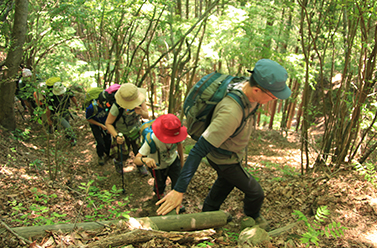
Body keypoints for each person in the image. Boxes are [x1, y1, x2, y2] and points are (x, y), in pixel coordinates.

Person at [156, 59, 292, 222]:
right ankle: (253, 220)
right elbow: (198, 151)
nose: (274, 100)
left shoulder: (245, 87)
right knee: (256, 193)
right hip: (224, 159)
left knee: (225, 182)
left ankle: (207, 214)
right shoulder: (231, 113)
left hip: (228, 154)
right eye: (272, 96)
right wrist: (179, 190)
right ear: (256, 90)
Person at [133, 114, 187, 201]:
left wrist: (181, 162)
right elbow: (136, 160)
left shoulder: (177, 134)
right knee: (160, 185)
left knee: (178, 182)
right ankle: (160, 195)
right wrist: (145, 160)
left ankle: (175, 200)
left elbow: (179, 145)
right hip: (158, 167)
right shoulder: (152, 140)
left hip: (173, 161)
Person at [105, 83, 150, 176]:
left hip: (136, 131)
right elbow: (108, 123)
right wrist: (116, 135)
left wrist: (141, 112)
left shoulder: (141, 100)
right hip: (122, 134)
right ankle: (118, 162)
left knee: (139, 150)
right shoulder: (117, 107)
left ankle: (140, 165)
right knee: (122, 153)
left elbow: (147, 115)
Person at [46, 80, 79, 146]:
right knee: (67, 126)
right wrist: (48, 118)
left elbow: (72, 97)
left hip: (65, 110)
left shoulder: (67, 91)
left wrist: (77, 105)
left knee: (66, 123)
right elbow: (48, 108)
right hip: (56, 113)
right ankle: (73, 138)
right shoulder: (51, 95)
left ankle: (68, 137)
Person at [85, 97, 111, 166]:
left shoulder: (107, 104)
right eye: (102, 105)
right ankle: (101, 156)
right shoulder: (91, 108)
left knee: (108, 139)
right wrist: (100, 125)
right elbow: (88, 119)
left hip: (105, 123)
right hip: (95, 125)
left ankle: (108, 153)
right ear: (98, 101)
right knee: (100, 141)